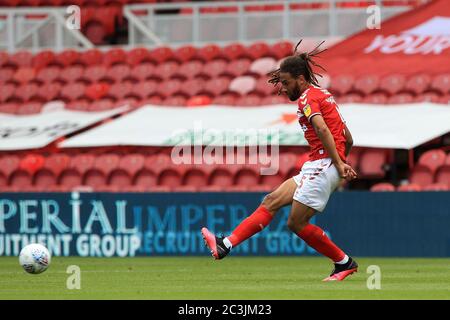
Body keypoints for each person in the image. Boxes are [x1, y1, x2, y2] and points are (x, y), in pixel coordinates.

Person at [201, 40, 358, 281]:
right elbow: (348, 138)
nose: (283, 88)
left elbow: (324, 130)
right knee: (272, 200)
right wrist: (341, 163)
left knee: (296, 223)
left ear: (301, 79)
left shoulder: (307, 99)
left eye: (286, 83)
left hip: (324, 164)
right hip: (320, 164)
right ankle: (226, 244)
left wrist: (337, 165)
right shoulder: (325, 96)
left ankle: (343, 263)